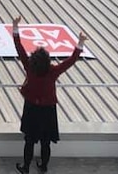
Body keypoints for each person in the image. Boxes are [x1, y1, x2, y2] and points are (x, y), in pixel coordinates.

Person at [12, 15, 88, 174]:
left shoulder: (29, 67)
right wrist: (80, 43)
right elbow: (70, 61)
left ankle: (25, 167)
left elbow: (19, 47)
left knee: (29, 141)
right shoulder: (53, 71)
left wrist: (15, 27)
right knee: (46, 142)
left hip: (32, 108)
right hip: (48, 110)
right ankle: (44, 166)